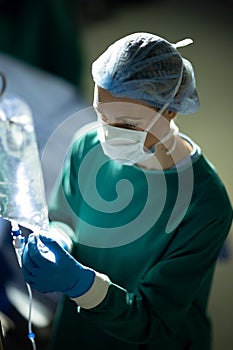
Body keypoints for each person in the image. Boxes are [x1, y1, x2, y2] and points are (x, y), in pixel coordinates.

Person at [21, 32, 232, 350]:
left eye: (128, 125)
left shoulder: (205, 204)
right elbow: (65, 214)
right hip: (80, 334)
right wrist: (57, 238)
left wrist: (80, 283)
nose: (107, 134)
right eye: (101, 115)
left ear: (169, 111)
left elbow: (153, 319)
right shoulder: (86, 144)